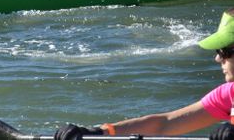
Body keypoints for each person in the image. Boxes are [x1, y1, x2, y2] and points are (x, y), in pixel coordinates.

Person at [54, 8, 234, 140]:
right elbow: (165, 123)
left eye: (224, 51)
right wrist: (100, 132)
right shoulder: (228, 94)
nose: (218, 58)